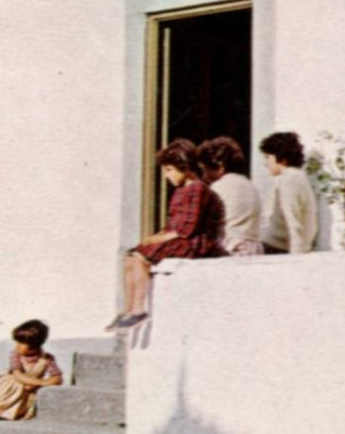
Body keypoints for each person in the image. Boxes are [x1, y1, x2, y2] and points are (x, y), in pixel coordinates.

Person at [109, 139, 225, 330]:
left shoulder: (197, 189)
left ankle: (139, 309)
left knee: (140, 257)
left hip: (191, 242)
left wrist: (155, 239)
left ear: (184, 167)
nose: (166, 176)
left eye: (169, 170)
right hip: (176, 237)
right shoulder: (181, 190)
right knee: (130, 257)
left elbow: (186, 229)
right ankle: (128, 308)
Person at [199, 135, 264, 256]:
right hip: (254, 248)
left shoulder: (218, 188)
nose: (204, 176)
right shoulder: (250, 185)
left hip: (230, 247)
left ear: (220, 167)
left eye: (205, 169)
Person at [259, 131, 318, 254]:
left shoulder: (289, 180)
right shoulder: (298, 177)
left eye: (268, 157)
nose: (266, 163)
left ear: (281, 157)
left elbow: (293, 220)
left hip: (279, 249)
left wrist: (295, 258)